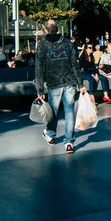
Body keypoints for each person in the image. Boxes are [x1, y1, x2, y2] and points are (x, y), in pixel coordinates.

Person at [35, 19, 86, 154]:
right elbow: (75, 64)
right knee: (69, 113)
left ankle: (51, 135)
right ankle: (69, 142)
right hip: (69, 83)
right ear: (57, 29)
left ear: (46, 30)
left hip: (53, 84)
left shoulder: (42, 45)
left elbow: (39, 68)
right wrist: (80, 84)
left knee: (53, 112)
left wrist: (40, 89)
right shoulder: (68, 43)